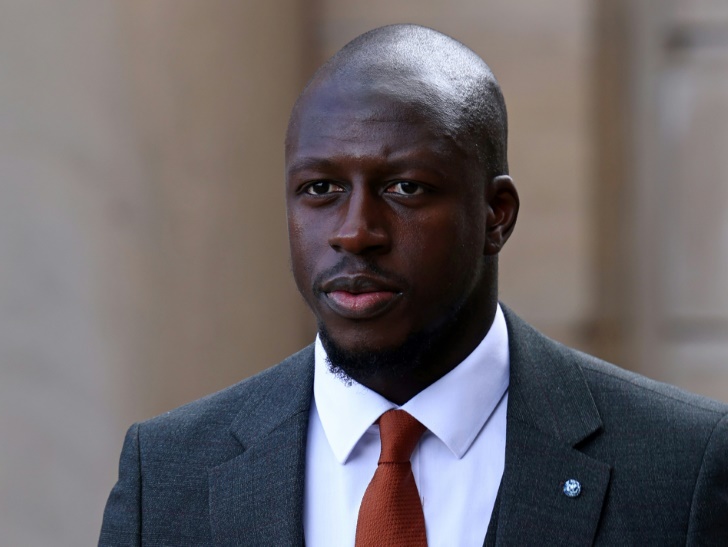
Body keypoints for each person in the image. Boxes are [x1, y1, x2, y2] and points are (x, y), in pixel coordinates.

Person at [99, 24, 728, 546]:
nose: (355, 232)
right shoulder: (169, 474)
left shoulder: (681, 467)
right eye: (320, 188)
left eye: (405, 188)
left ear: (496, 215)